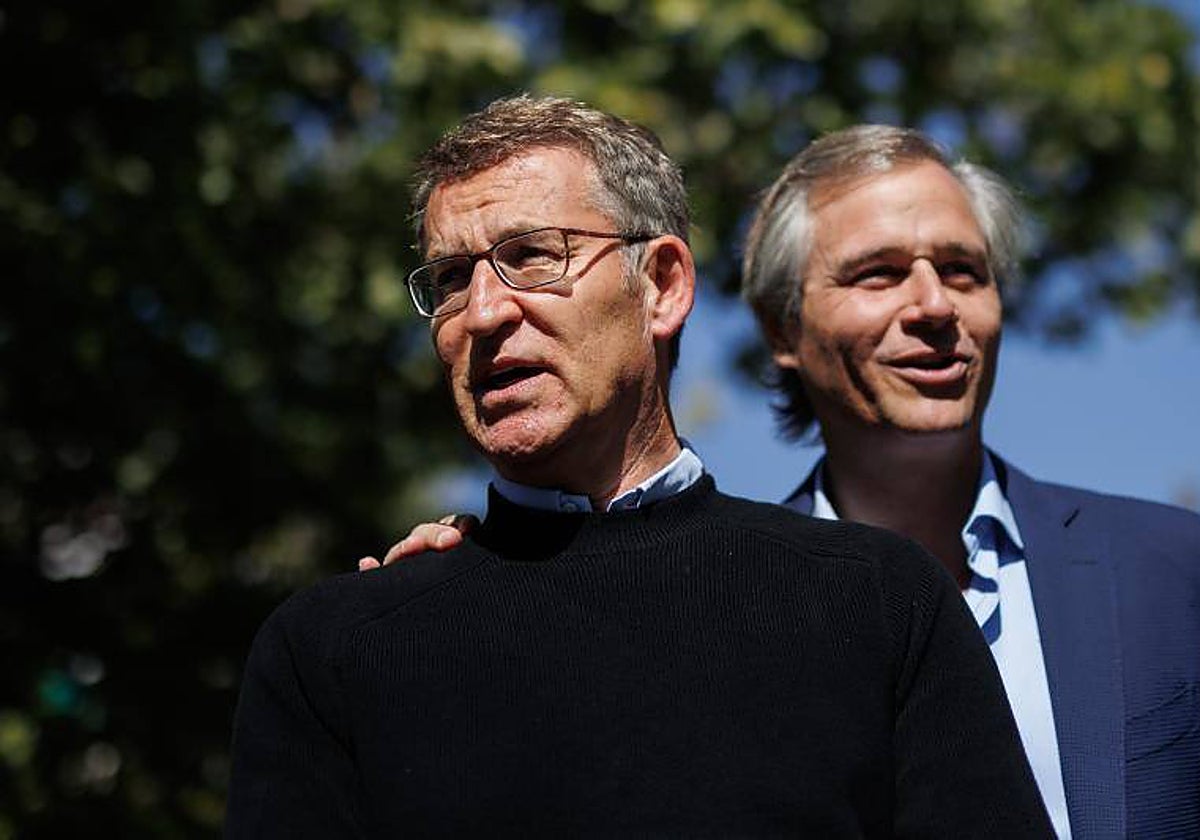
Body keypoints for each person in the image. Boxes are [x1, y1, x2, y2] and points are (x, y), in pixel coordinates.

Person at [228, 97, 1052, 837]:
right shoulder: (334, 650)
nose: (482, 312)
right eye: (449, 278)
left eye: (532, 256)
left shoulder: (880, 602)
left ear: (661, 284)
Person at [371, 124, 1200, 839]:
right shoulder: (735, 613)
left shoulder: (1175, 571)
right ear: (780, 328)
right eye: (876, 274)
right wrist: (474, 590)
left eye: (962, 270)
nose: (932, 306)